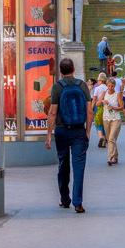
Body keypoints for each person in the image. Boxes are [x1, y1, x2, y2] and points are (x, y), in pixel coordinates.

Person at [45, 57, 94, 213]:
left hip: (62, 130)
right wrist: (87, 131)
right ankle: (78, 203)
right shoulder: (82, 85)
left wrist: (49, 134)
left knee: (63, 164)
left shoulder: (57, 87)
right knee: (79, 167)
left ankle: (65, 199)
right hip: (79, 130)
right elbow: (89, 111)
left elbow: (53, 113)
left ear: (60, 71)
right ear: (73, 69)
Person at [99, 77, 124, 165]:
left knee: (112, 138)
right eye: (109, 86)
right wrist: (102, 101)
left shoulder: (117, 94)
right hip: (106, 118)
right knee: (110, 139)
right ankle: (115, 156)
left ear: (115, 86)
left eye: (112, 86)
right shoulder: (104, 93)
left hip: (115, 119)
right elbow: (97, 104)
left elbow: (122, 107)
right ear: (107, 85)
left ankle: (110, 157)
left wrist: (113, 107)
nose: (110, 88)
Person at [92, 73, 109, 148]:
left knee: (98, 124)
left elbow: (94, 99)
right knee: (104, 124)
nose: (97, 82)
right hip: (107, 107)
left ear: (101, 80)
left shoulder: (97, 88)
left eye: (98, 80)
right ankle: (104, 142)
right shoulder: (107, 88)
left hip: (99, 106)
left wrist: (91, 108)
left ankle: (101, 137)